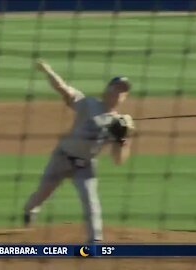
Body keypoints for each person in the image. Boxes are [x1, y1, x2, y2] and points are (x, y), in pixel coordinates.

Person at [23, 59, 135, 243]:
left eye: (123, 91)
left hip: (86, 166)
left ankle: (95, 241)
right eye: (116, 88)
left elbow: (118, 160)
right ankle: (30, 209)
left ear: (125, 97)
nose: (118, 93)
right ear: (107, 90)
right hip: (62, 158)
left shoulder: (120, 123)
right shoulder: (88, 104)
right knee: (42, 193)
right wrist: (48, 70)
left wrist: (123, 139)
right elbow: (63, 88)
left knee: (91, 202)